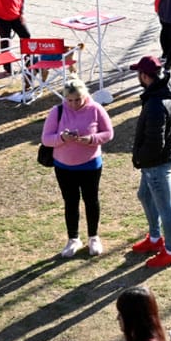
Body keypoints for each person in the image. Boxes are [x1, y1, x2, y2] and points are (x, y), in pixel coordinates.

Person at [40, 77, 114, 258]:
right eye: (69, 100)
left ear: (85, 95)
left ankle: (93, 237)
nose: (73, 104)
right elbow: (46, 139)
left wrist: (91, 140)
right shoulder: (56, 111)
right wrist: (62, 138)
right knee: (70, 202)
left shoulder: (96, 109)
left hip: (90, 165)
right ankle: (73, 238)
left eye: (77, 100)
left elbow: (108, 133)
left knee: (91, 200)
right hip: (64, 166)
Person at [130, 55, 171, 268]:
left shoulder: (155, 104)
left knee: (164, 206)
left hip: (156, 163)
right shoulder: (168, 86)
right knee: (144, 194)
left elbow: (154, 142)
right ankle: (155, 238)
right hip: (161, 158)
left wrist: (140, 159)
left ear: (144, 76)